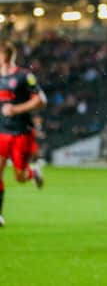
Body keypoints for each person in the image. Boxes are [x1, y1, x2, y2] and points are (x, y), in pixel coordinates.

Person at [0, 41, 47, 227]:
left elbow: (41, 100)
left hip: (21, 132)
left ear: (7, 56)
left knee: (19, 177)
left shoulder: (24, 76)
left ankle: (32, 172)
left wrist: (16, 109)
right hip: (1, 131)